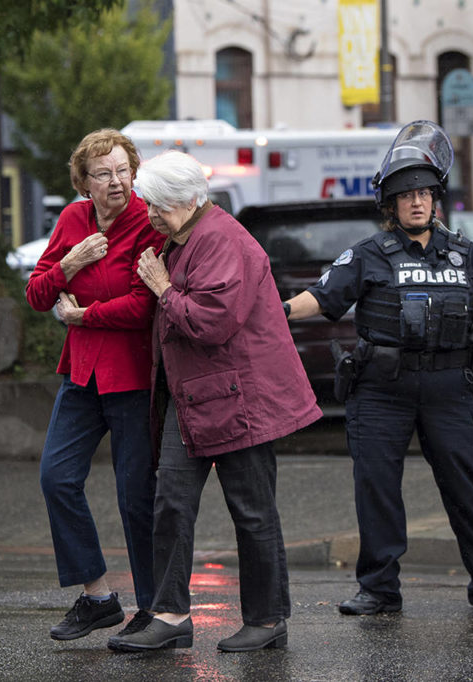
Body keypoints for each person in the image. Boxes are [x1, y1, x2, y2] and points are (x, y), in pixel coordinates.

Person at [283, 121, 473, 614]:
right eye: (407, 196)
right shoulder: (367, 255)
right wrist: (276, 311)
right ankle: (379, 590)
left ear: (436, 199)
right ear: (392, 205)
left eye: (425, 193)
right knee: (378, 489)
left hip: (449, 385)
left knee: (466, 488)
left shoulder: (466, 252)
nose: (417, 202)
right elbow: (321, 297)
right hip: (382, 387)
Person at [107, 150, 323, 653]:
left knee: (252, 512)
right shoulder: (182, 236)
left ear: (183, 200)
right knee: (171, 507)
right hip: (196, 400)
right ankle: (169, 616)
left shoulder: (224, 239)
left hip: (240, 401)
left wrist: (161, 287)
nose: (151, 216)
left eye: (157, 206)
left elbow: (211, 322)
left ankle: (268, 620)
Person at [25, 129, 166, 642]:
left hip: (130, 376)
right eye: (103, 173)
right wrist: (71, 263)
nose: (117, 181)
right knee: (56, 478)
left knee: (136, 496)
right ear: (84, 182)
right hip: (81, 376)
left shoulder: (147, 222)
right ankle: (98, 596)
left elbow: (143, 304)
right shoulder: (72, 220)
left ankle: (154, 610)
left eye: (124, 170)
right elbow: (38, 294)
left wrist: (85, 315)